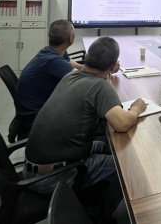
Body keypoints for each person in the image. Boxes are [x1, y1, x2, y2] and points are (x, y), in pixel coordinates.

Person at [25, 37, 147, 218]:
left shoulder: (70, 76)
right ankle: (103, 216)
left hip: (33, 170)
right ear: (113, 65)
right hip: (54, 178)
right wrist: (137, 108)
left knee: (103, 146)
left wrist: (107, 73)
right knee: (125, 167)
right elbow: (122, 124)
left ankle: (95, 198)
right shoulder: (99, 87)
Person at [16, 20, 84, 128]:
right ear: (71, 38)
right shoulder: (54, 61)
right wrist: (104, 71)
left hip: (35, 110)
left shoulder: (49, 51)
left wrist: (83, 67)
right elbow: (84, 81)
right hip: (38, 119)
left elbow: (71, 63)